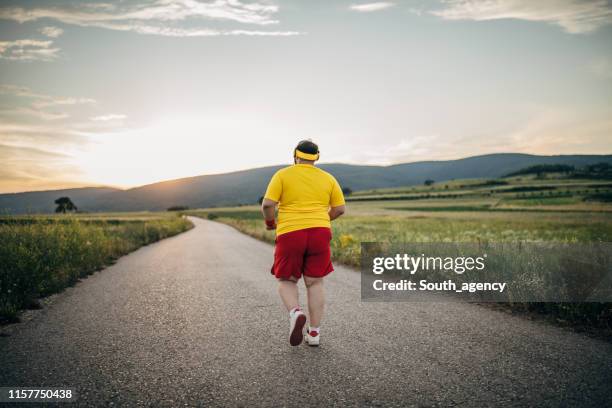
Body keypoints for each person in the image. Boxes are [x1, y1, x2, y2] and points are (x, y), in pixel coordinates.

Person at [261, 140, 346, 347]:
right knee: (315, 282)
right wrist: (323, 220)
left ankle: (295, 313)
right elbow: (340, 209)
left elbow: (268, 204)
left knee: (287, 280)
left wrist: (271, 223)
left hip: (291, 232)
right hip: (320, 232)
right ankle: (314, 334)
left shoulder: (282, 175)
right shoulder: (328, 178)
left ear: (295, 155)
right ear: (317, 157)